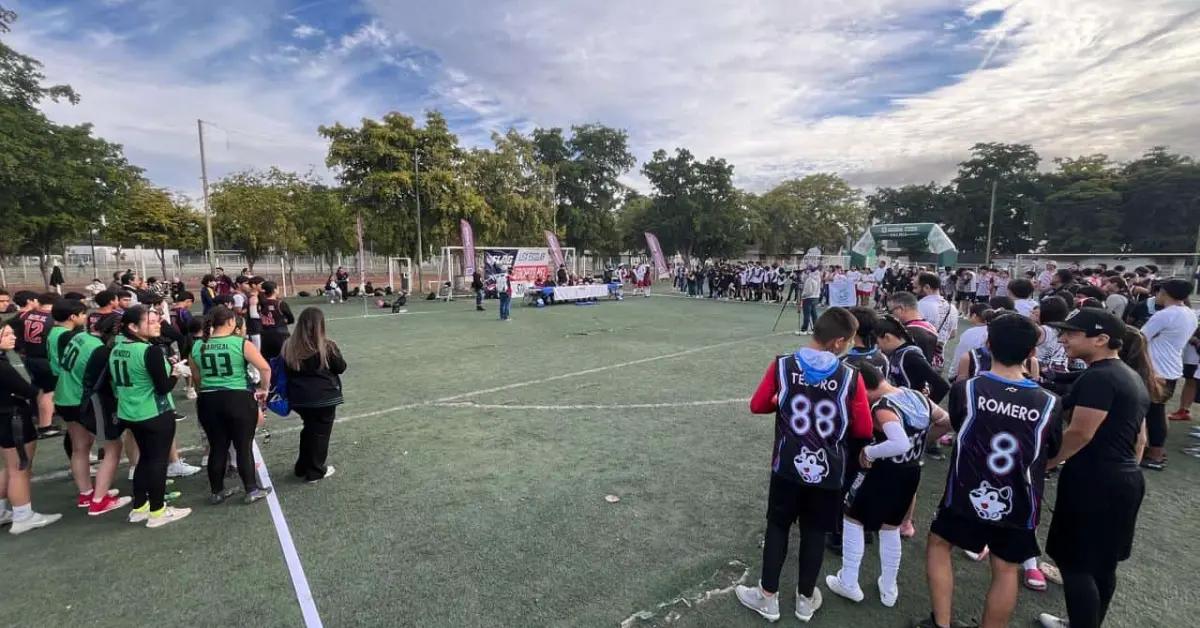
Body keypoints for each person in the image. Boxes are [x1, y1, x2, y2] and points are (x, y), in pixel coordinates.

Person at [918, 313, 1061, 628]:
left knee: (940, 545)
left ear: (987, 344)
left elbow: (957, 425)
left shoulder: (967, 389)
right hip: (1019, 498)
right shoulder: (1049, 401)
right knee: (1006, 567)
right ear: (1031, 353)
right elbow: (1051, 448)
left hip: (967, 490)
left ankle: (941, 623)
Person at [734, 308, 874, 623]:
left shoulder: (783, 364)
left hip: (787, 464)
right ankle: (805, 599)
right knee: (814, 532)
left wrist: (780, 402)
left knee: (778, 526)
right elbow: (863, 429)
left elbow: (758, 405)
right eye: (849, 341)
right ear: (838, 342)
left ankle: (767, 597)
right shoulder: (851, 375)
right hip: (829, 471)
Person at [1037, 311, 1151, 628]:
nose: (1062, 340)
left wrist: (1046, 463)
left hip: (1094, 480)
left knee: (1075, 565)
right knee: (1103, 564)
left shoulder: (1100, 377)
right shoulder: (1128, 374)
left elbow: (1081, 432)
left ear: (1100, 339)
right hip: (1123, 479)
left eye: (1071, 334)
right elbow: (1140, 440)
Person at [827, 363, 951, 607]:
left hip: (882, 473)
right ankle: (888, 586)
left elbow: (899, 443)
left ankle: (849, 581)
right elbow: (945, 421)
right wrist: (923, 443)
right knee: (890, 527)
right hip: (910, 472)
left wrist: (871, 451)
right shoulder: (916, 395)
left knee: (853, 519)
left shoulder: (883, 407)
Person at [109, 306, 192, 528]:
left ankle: (140, 506)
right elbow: (163, 387)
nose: (157, 325)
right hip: (153, 412)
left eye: (157, 320)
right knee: (156, 461)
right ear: (133, 327)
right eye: (151, 322)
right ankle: (157, 511)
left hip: (130, 411)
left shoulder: (117, 346)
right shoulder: (149, 351)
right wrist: (175, 373)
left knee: (144, 460)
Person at [191, 306, 273, 504]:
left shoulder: (197, 345)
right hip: (237, 399)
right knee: (243, 446)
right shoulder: (240, 343)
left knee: (217, 447)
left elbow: (196, 377)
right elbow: (264, 368)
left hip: (209, 400)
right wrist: (263, 390)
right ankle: (251, 490)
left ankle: (217, 491)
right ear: (229, 322)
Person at [0, 323, 62, 534]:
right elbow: (27, 390)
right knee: (20, 468)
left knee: (10, 467)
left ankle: (2, 511)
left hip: (6, 417)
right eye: (6, 334)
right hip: (12, 418)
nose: (13, 337)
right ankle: (23, 516)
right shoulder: (3, 366)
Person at [1135, 279, 1196, 470]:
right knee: (1157, 410)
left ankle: (1155, 454)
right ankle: (1154, 450)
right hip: (1171, 367)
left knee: (1152, 411)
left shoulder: (1165, 315)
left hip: (1155, 368)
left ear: (1165, 292)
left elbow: (1140, 337)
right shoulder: (1189, 313)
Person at [282, 307, 345, 482]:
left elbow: (287, 370)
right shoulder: (327, 345)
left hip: (299, 398)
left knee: (309, 429)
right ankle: (315, 471)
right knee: (320, 434)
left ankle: (302, 466)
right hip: (324, 397)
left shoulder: (289, 345)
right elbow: (340, 367)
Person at [17, 293, 62, 438]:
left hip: (31, 355)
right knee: (49, 392)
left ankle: (43, 421)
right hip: (44, 358)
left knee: (41, 390)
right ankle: (45, 426)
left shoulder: (27, 315)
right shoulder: (52, 319)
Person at [887, 292, 940, 368]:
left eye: (891, 311)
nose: (891, 315)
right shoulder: (929, 326)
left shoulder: (908, 332)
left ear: (901, 309)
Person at [259, 281, 294, 361]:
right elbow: (291, 319)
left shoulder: (260, 303)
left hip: (264, 336)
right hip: (280, 335)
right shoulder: (280, 304)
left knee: (267, 361)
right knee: (283, 360)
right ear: (275, 290)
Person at [796, 269, 821, 336]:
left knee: (807, 314)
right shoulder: (818, 278)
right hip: (816, 297)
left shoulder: (809, 279)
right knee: (814, 314)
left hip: (808, 298)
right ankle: (815, 329)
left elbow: (808, 291)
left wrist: (803, 295)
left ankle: (804, 329)